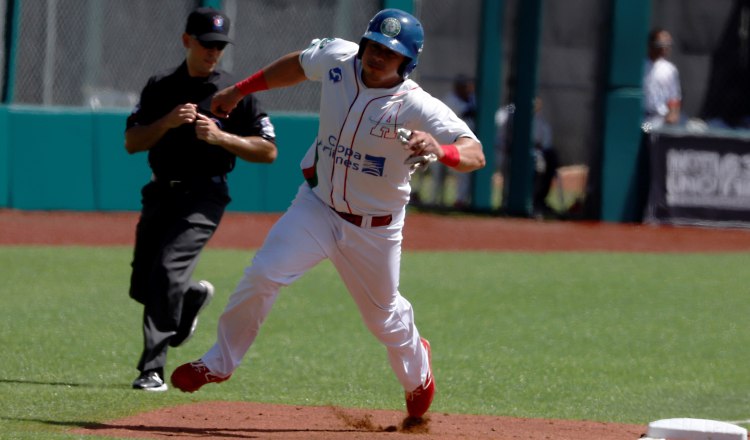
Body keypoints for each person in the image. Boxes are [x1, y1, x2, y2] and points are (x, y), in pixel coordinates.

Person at [170, 9, 485, 419]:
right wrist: (239, 91)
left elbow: (474, 153)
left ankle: (418, 375)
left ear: (406, 62)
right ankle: (218, 362)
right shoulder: (339, 58)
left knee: (383, 320)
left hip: (375, 229)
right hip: (316, 207)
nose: (375, 56)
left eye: (389, 52)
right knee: (263, 273)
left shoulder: (417, 106)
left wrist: (440, 149)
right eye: (373, 45)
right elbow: (298, 65)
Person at [124, 7, 277, 392]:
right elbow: (131, 141)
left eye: (220, 46)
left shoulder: (234, 92)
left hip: (205, 195)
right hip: (161, 191)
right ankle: (190, 298)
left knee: (166, 271)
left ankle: (151, 369)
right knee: (144, 285)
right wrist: (167, 122)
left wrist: (222, 137)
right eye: (207, 44)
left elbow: (268, 150)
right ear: (187, 41)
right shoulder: (161, 86)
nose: (213, 53)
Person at [495, 97, 559, 217]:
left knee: (543, 162)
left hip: (534, 155)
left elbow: (544, 144)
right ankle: (509, 203)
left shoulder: (540, 120)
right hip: (506, 154)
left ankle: (536, 202)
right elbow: (499, 139)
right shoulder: (506, 115)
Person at [434, 74, 477, 208]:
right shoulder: (450, 99)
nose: (466, 88)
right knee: (437, 173)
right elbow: (466, 113)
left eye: (468, 86)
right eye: (463, 86)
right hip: (444, 141)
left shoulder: (473, 99)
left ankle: (460, 201)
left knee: (462, 173)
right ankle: (433, 201)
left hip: (463, 143)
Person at [643, 28, 682, 129]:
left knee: (656, 140)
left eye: (668, 44)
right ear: (652, 44)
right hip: (641, 117)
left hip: (660, 119)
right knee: (645, 135)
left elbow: (674, 97)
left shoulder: (670, 69)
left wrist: (673, 114)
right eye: (661, 43)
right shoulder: (640, 65)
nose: (665, 47)